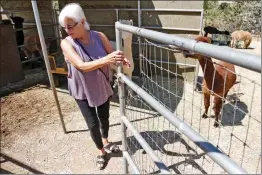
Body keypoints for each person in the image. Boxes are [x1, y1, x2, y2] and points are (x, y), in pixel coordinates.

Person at [58, 3, 130, 169]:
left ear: (82, 22)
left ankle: (105, 140)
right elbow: (81, 66)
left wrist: (121, 58)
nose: (67, 31)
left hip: (101, 84)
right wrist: (107, 59)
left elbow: (113, 54)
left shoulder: (99, 36)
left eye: (70, 27)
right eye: (65, 27)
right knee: (92, 123)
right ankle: (101, 150)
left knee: (104, 117)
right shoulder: (66, 43)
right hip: (81, 89)